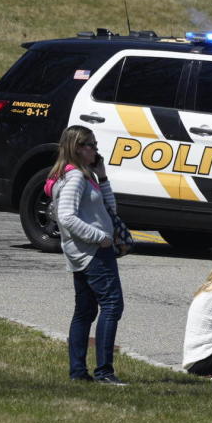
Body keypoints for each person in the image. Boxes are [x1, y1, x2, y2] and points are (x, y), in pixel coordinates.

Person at [45, 125, 126, 385]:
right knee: (112, 306)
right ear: (76, 148)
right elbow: (66, 216)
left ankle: (79, 372)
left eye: (94, 145)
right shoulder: (75, 177)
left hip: (84, 253)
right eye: (90, 145)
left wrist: (102, 178)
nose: (95, 149)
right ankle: (104, 372)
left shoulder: (84, 174)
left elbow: (108, 208)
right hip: (92, 252)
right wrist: (99, 237)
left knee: (85, 310)